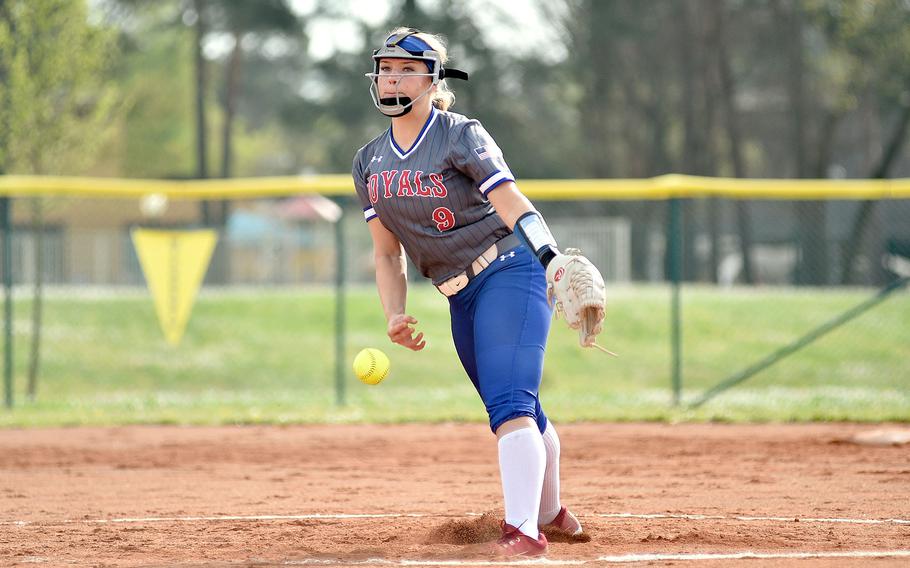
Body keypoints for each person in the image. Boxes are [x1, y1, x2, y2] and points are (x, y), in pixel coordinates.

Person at [352, 28, 598, 557]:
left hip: (508, 268)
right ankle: (552, 512)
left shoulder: (460, 134)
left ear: (433, 80)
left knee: (511, 403)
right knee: (514, 409)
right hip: (458, 295)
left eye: (406, 69)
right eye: (386, 69)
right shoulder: (369, 161)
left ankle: (522, 532)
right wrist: (394, 313)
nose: (392, 78)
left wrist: (550, 258)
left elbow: (512, 203)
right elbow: (385, 253)